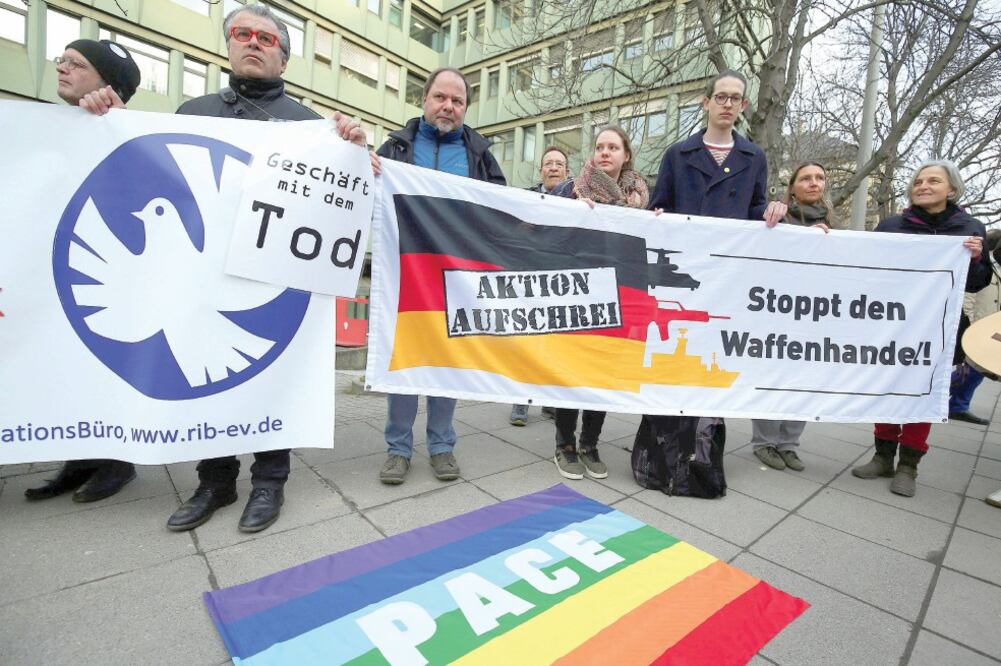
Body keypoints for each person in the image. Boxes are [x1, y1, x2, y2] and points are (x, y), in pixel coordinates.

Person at [166, 5, 368, 532]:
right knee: (211, 378)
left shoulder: (311, 126)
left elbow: (334, 202)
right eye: (241, 34)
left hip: (276, 280)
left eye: (265, 37)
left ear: (284, 56)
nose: (252, 43)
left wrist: (351, 152)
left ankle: (269, 481)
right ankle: (214, 480)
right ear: (228, 44)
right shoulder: (191, 111)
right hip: (202, 272)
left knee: (270, 377)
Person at [373, 67, 506, 485]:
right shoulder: (396, 148)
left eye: (457, 101)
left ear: (466, 108)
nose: (448, 106)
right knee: (404, 361)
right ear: (425, 100)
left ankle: (441, 446)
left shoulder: (479, 155)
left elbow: (501, 207)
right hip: (406, 275)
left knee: (447, 362)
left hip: (456, 279)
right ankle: (398, 449)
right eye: (440, 98)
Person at [24, 39, 141, 504]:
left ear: (108, 84)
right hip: (49, 268)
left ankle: (116, 462)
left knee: (101, 364)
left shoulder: (122, 130)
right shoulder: (50, 129)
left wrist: (116, 119)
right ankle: (77, 459)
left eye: (77, 63)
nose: (63, 68)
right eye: (62, 59)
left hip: (103, 271)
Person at [852, 159, 990, 497]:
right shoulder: (891, 226)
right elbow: (868, 270)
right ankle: (883, 454)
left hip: (938, 329)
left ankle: (909, 465)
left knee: (923, 391)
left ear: (952, 190)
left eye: (933, 181)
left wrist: (976, 258)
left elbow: (976, 282)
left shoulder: (968, 229)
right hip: (892, 323)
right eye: (918, 182)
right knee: (886, 386)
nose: (923, 186)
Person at [550, 126, 649, 480]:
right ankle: (565, 444)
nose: (605, 152)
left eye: (613, 147)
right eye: (599, 147)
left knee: (604, 372)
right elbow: (546, 231)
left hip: (621, 295)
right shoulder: (570, 189)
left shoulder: (640, 199)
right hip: (579, 293)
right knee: (573, 369)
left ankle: (590, 443)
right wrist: (571, 212)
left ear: (626, 155)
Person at [751, 162, 832, 472]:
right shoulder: (779, 217)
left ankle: (789, 444)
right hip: (778, 311)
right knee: (774, 376)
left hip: (814, 315)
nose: (814, 183)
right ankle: (765, 443)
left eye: (820, 178)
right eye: (806, 178)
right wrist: (802, 239)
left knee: (804, 381)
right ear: (793, 187)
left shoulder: (832, 223)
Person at [649, 69, 787, 225]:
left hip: (731, 247)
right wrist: (658, 216)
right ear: (707, 103)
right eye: (721, 97)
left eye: (735, 98)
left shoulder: (755, 157)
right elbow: (659, 208)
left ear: (743, 105)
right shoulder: (676, 155)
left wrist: (772, 210)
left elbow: (754, 209)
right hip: (687, 246)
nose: (728, 105)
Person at [509, 146, 569, 426]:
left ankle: (550, 401)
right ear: (541, 171)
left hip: (562, 282)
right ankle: (520, 403)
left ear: (567, 172)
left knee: (555, 344)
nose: (554, 168)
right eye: (549, 164)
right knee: (526, 343)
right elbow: (513, 232)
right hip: (529, 281)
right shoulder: (525, 199)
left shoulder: (577, 200)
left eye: (559, 164)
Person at [948, 228, 1001, 425]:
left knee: (978, 369)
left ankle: (957, 404)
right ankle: (949, 400)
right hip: (976, 326)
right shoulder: (982, 264)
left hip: (991, 330)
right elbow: (968, 295)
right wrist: (970, 324)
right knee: (972, 369)